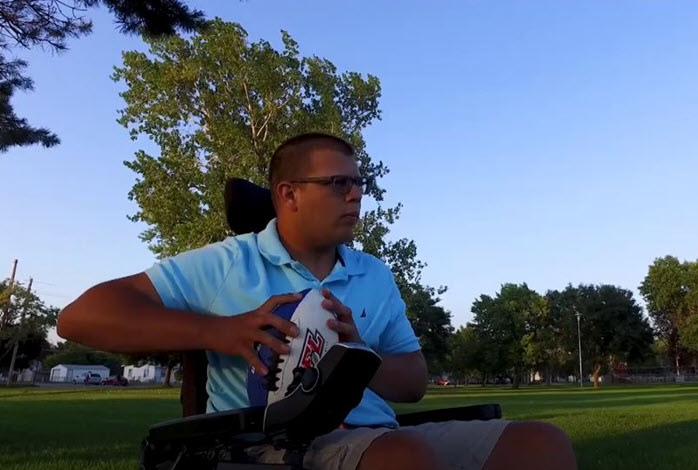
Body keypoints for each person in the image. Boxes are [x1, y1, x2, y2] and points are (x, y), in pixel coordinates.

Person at [57, 132, 576, 470]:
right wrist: (219, 331)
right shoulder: (228, 263)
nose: (356, 195)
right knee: (402, 459)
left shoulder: (373, 272)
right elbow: (80, 316)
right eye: (337, 183)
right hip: (271, 444)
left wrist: (360, 359)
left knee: (541, 446)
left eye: (358, 183)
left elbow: (414, 383)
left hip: (383, 435)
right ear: (288, 194)